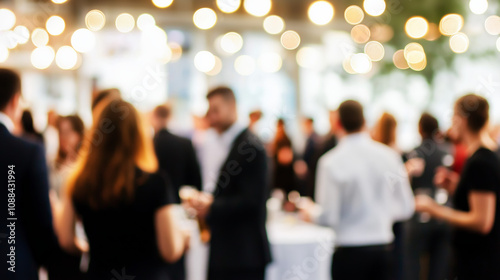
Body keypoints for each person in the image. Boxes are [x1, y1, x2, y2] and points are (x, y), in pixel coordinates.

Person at [54, 99, 189, 280]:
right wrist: (183, 238)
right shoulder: (154, 183)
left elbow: (66, 239)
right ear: (138, 135)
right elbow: (170, 251)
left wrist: (89, 249)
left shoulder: (80, 182)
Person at [313, 100, 415, 280]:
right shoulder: (390, 156)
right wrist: (378, 214)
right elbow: (407, 207)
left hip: (349, 251)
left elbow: (329, 216)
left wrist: (310, 214)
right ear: (364, 122)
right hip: (384, 248)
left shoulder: (330, 162)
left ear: (337, 124)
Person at [188, 86, 272, 280]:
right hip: (229, 253)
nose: (212, 117)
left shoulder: (250, 146)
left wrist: (212, 206)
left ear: (232, 106)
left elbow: (252, 201)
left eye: (216, 110)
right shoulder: (225, 142)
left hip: (243, 255)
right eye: (210, 111)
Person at [415, 94, 500, 279]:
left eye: (453, 117)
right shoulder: (479, 156)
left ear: (462, 120)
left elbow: (482, 222)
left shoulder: (481, 161)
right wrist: (456, 187)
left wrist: (434, 209)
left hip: (480, 263)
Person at [0, 68, 61, 279]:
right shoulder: (27, 151)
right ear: (16, 100)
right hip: (12, 262)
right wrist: (50, 260)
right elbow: (41, 218)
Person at [151, 104, 202, 280]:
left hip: (152, 214)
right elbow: (196, 181)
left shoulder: (150, 145)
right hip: (178, 212)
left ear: (154, 117)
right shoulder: (184, 144)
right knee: (178, 264)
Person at [404, 113, 452, 280]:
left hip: (419, 215)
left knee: (413, 266)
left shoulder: (415, 153)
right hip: (443, 214)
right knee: (438, 268)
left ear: (420, 128)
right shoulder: (447, 151)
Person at [50, 115, 85, 196]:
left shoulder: (84, 165)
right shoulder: (52, 162)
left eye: (67, 132)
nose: (62, 136)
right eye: (60, 132)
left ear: (78, 135)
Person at [271, 118, 300, 196]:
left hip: (286, 171)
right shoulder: (275, 140)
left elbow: (288, 156)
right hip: (279, 171)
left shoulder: (286, 139)